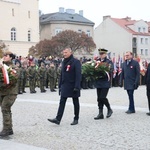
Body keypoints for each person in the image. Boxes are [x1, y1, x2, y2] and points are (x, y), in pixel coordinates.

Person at [47, 47, 81, 125]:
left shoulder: (76, 62)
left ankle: (76, 118)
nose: (64, 54)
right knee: (62, 101)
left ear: (70, 52)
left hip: (73, 85)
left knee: (75, 102)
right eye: (64, 53)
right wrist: (60, 86)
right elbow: (62, 75)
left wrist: (77, 86)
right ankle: (58, 119)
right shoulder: (64, 62)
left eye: (66, 52)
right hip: (65, 85)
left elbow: (78, 75)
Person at [0, 51, 18, 137]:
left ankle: (6, 129)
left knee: (5, 108)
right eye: (3, 55)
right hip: (2, 92)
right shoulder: (1, 66)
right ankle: (9, 128)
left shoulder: (13, 68)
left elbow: (13, 80)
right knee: (6, 109)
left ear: (11, 57)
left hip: (10, 92)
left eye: (6, 56)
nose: (4, 57)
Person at [94, 48, 114, 120]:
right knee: (99, 98)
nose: (101, 55)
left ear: (105, 54)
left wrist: (104, 70)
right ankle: (100, 113)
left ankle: (109, 109)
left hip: (105, 82)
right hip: (98, 82)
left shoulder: (109, 62)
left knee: (102, 97)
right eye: (100, 54)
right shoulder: (96, 61)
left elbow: (111, 70)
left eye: (102, 54)